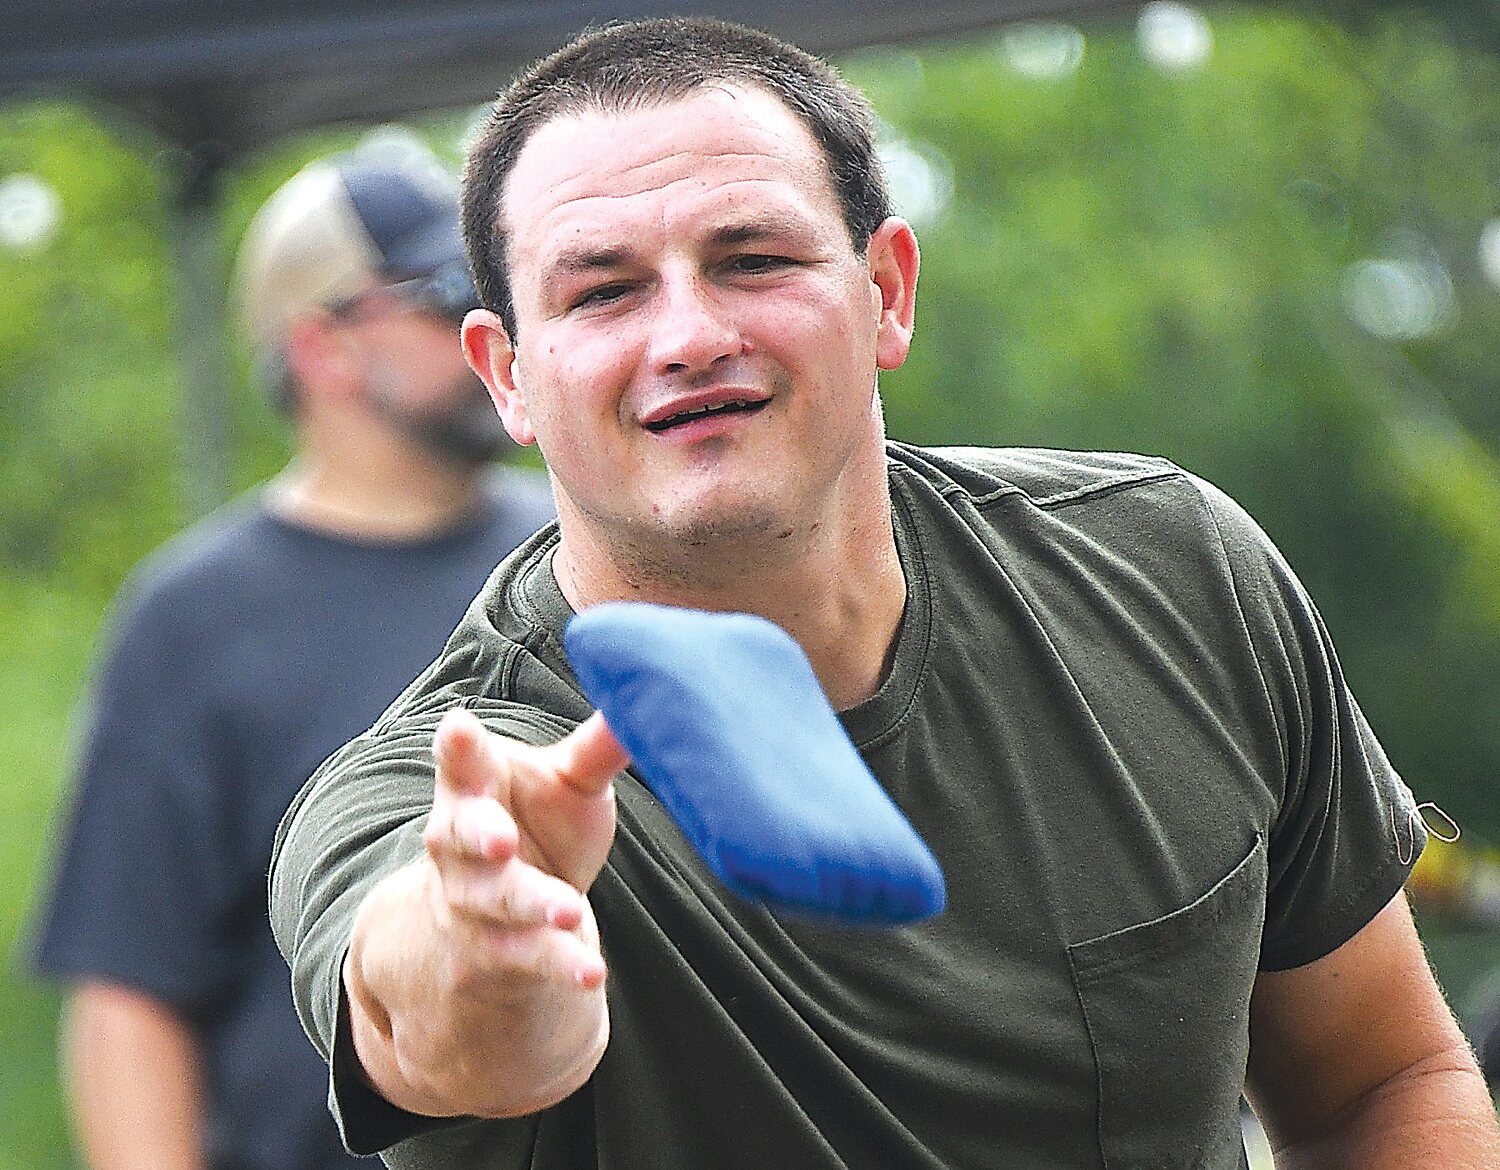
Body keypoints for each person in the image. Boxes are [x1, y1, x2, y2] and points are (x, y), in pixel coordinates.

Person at [267, 17, 1500, 1169]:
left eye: (751, 258)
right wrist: (488, 951)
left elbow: (1379, 1079)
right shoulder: (450, 791)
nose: (689, 333)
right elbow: (428, 1020)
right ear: (509, 378)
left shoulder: (1169, 570)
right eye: (603, 290)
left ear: (888, 292)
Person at [29, 148, 554, 1170]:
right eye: (448, 292)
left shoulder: (578, 557)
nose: (493, 323)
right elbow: (129, 993)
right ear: (322, 348)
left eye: (502, 285)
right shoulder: (193, 619)